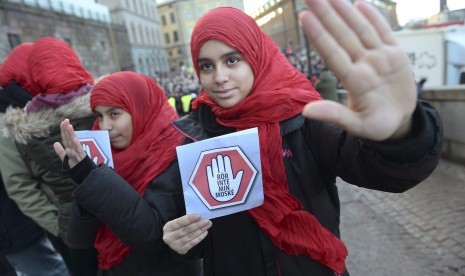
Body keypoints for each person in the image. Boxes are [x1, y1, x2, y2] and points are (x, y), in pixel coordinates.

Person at [161, 2, 443, 276]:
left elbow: (380, 171)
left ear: (256, 56)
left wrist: (401, 132)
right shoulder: (195, 137)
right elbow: (199, 231)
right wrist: (180, 243)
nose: (219, 77)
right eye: (207, 66)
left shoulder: (305, 117)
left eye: (232, 60)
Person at [53, 71, 202, 275]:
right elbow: (78, 239)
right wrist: (86, 181)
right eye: (99, 115)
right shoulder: (102, 155)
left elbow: (151, 235)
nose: (105, 126)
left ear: (140, 108)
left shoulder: (175, 152)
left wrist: (92, 178)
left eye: (114, 114)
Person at [3, 37, 98, 276]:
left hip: (83, 219)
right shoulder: (12, 121)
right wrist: (61, 227)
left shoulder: (36, 111)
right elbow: (20, 185)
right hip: (67, 225)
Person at [0, 42, 70, 276]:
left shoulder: (30, 105)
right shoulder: (9, 117)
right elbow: (19, 183)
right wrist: (60, 227)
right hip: (18, 227)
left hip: (31, 222)